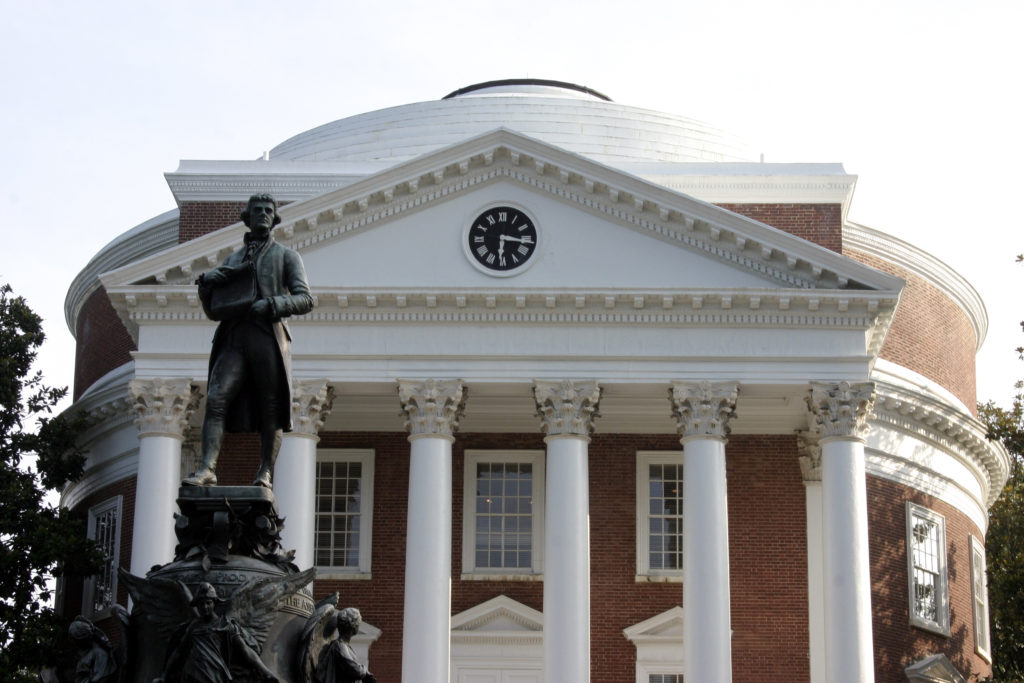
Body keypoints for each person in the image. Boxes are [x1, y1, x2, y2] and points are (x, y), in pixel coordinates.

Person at [185, 193, 313, 488]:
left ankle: (265, 473)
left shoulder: (286, 256)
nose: (264, 214)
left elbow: (305, 299)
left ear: (275, 218)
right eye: (258, 210)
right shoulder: (232, 260)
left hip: (266, 335)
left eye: (269, 210)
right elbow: (215, 309)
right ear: (247, 216)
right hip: (234, 336)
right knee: (216, 400)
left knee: (272, 407)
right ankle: (207, 469)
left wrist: (271, 305)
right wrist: (206, 290)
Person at [155, 582, 278, 683]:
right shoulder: (193, 626)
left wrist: (266, 672)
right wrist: (164, 676)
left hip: (215, 672)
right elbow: (179, 652)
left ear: (215, 603)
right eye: (201, 604)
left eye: (208, 603)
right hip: (192, 673)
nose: (204, 607)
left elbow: (245, 651)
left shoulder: (225, 625)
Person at [314, 608, 377, 683]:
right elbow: (354, 669)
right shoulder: (340, 646)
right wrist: (365, 671)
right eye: (358, 622)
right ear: (353, 625)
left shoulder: (344, 646)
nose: (358, 625)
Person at [68, 616, 118, 683]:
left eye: (76, 641)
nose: (75, 645)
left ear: (82, 639)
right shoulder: (86, 654)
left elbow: (100, 679)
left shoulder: (100, 654)